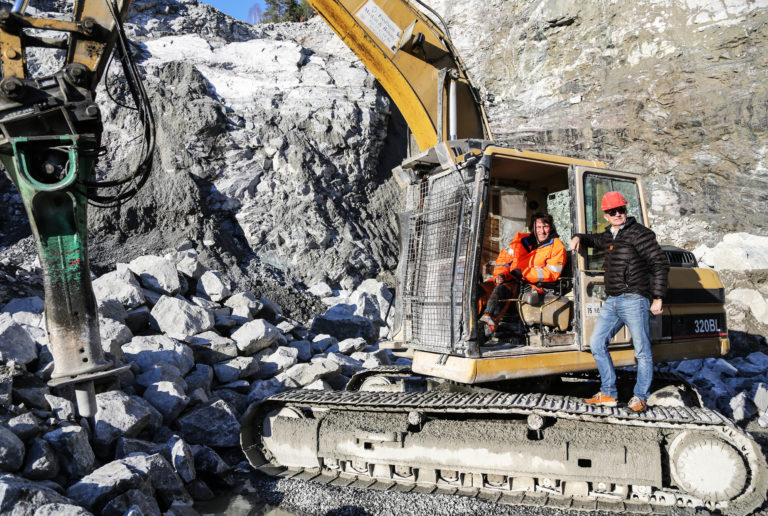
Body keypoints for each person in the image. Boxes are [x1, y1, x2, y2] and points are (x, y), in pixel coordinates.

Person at [569, 191, 668, 412]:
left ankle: (640, 396)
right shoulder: (609, 236)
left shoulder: (640, 234)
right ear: (605, 214)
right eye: (612, 211)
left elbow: (659, 264)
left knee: (641, 351)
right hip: (612, 301)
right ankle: (609, 393)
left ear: (626, 209)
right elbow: (591, 239)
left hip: (635, 299)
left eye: (620, 209)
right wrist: (578, 236)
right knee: (596, 343)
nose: (617, 214)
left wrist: (658, 297)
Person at [479, 213, 566, 333]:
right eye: (538, 227)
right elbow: (503, 261)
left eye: (545, 226)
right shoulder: (520, 241)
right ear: (532, 228)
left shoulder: (556, 246)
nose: (542, 231)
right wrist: (501, 275)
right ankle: (469, 324)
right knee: (480, 290)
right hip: (509, 279)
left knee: (502, 291)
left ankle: (486, 329)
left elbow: (551, 273)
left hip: (530, 286)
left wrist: (524, 273)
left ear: (551, 227)